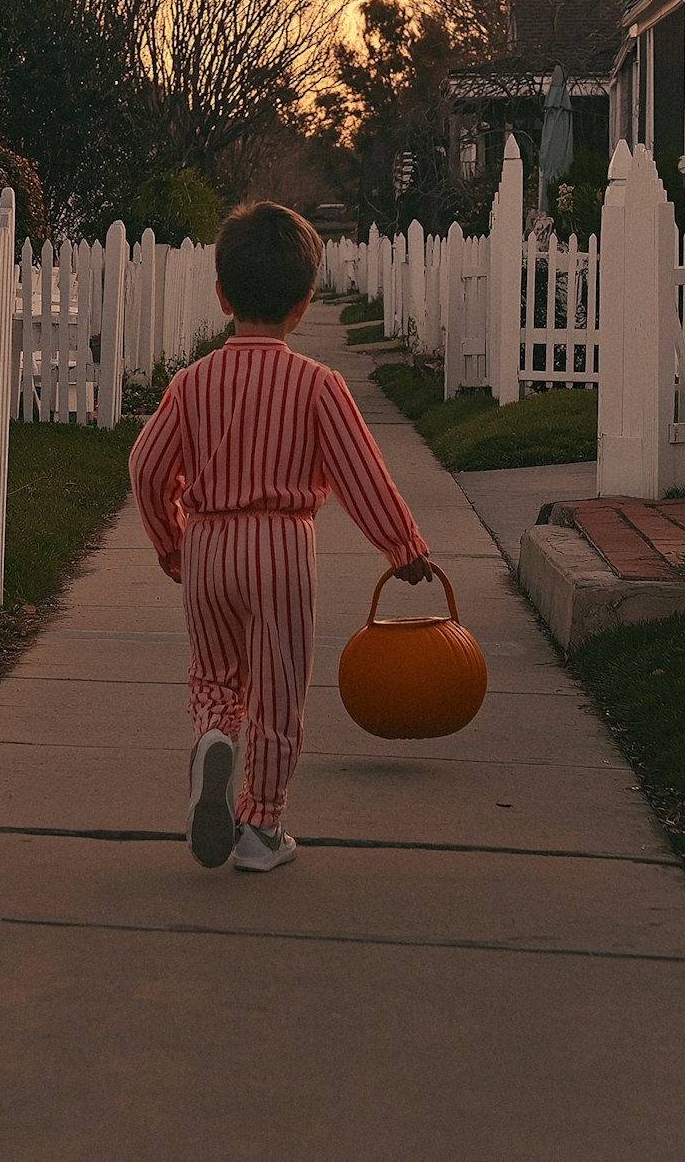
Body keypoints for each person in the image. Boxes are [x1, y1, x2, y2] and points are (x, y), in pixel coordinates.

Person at [128, 201, 431, 874]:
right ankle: (261, 826)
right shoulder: (318, 384)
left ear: (221, 296)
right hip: (283, 550)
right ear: (303, 303)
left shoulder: (192, 382)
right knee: (277, 692)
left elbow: (146, 466)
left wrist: (170, 538)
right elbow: (360, 474)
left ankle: (213, 735)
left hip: (209, 546)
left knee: (217, 674)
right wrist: (403, 544)